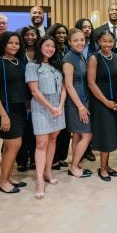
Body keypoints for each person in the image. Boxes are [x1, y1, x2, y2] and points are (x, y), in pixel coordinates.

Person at [0, 32, 30, 194]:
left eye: (17, 43)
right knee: (13, 144)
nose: (14, 46)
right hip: (4, 109)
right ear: (3, 44)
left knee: (11, 146)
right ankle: (3, 181)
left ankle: (8, 176)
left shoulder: (20, 62)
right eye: (10, 43)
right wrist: (3, 115)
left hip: (19, 109)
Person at [25, 36, 66, 199]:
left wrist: (60, 106)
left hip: (58, 108)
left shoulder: (57, 66)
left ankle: (48, 172)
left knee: (53, 139)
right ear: (40, 46)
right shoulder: (32, 66)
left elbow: (64, 88)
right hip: (42, 108)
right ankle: (40, 180)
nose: (50, 49)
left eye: (53, 47)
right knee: (41, 143)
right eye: (47, 46)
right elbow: (34, 91)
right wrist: (51, 108)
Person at [88, 30, 117, 181]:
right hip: (101, 101)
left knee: (112, 134)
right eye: (104, 41)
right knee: (105, 135)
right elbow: (91, 83)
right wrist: (106, 102)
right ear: (98, 42)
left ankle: (106, 165)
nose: (107, 44)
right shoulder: (94, 58)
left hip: (115, 100)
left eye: (110, 41)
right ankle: (102, 168)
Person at [63, 29, 94, 178]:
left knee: (77, 135)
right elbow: (68, 85)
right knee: (87, 135)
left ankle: (75, 163)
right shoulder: (69, 58)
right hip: (76, 103)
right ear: (69, 42)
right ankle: (74, 167)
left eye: (82, 40)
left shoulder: (81, 56)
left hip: (84, 100)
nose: (80, 43)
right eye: (76, 40)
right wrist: (80, 106)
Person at [16, 26, 40, 172]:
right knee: (22, 129)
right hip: (20, 95)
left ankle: (33, 159)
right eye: (27, 35)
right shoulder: (18, 52)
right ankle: (21, 159)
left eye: (33, 34)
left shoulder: (40, 53)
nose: (30, 37)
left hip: (37, 95)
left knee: (35, 129)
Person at [47, 23, 71, 170]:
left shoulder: (68, 49)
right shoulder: (51, 50)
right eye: (59, 33)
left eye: (64, 33)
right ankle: (53, 159)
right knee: (54, 128)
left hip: (67, 91)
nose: (62, 36)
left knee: (65, 129)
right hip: (54, 93)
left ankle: (62, 157)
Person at [75, 18, 98, 162]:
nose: (87, 29)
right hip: (77, 85)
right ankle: (79, 152)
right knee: (79, 122)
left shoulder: (94, 45)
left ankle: (88, 149)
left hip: (92, 85)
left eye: (89, 27)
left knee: (90, 119)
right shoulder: (74, 46)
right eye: (84, 27)